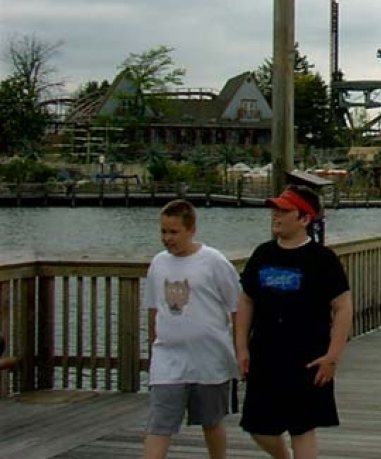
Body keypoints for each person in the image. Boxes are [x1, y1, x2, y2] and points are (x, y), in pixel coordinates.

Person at [236, 185, 353, 459]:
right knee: (257, 427)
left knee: (302, 427)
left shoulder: (322, 259)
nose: (276, 215)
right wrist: (241, 348)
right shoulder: (262, 254)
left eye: (284, 211)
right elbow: (246, 301)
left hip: (308, 357)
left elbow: (343, 307)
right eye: (275, 210)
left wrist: (332, 356)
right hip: (264, 354)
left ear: (304, 219)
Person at [142, 199, 240, 459]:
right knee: (159, 424)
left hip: (209, 359)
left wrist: (241, 350)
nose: (167, 238)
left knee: (211, 421)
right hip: (168, 359)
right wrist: (153, 345)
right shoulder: (158, 263)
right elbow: (153, 308)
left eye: (174, 232)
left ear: (191, 229)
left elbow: (236, 307)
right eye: (163, 231)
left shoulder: (213, 261)